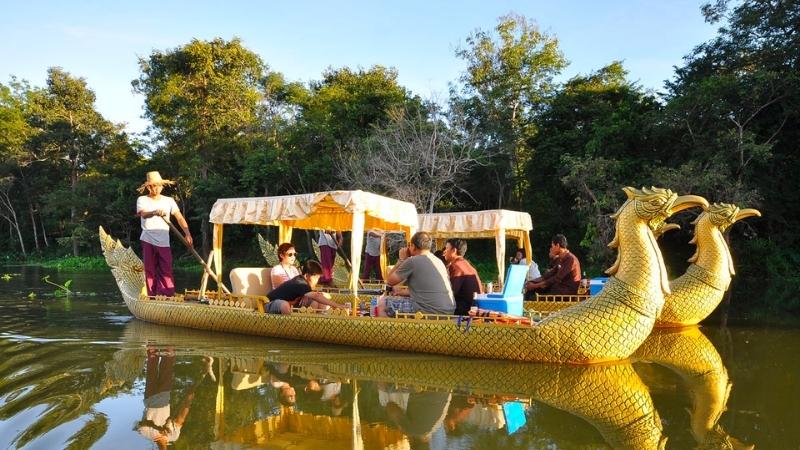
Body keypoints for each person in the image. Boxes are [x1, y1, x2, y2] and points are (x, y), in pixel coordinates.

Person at [136, 171, 192, 297]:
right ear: (149, 187)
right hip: (148, 238)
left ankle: (166, 295)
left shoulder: (169, 201)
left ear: (162, 186)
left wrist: (187, 233)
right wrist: (154, 212)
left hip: (163, 240)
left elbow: (179, 217)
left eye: (158, 185)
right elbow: (143, 214)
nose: (156, 188)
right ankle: (152, 295)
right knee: (150, 269)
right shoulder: (142, 199)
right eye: (153, 186)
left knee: (166, 269)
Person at [379, 231, 455, 316]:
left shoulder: (412, 261)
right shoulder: (438, 261)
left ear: (413, 246)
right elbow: (426, 291)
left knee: (382, 303)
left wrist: (401, 260)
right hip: (448, 310)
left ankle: (387, 329)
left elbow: (389, 281)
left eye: (409, 245)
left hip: (429, 311)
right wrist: (401, 292)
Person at [265, 260, 350, 315]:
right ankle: (289, 327)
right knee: (284, 305)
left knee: (315, 302)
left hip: (290, 302)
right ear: (306, 276)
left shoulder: (304, 284)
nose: (317, 281)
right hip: (269, 303)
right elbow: (317, 296)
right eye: (316, 278)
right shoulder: (300, 283)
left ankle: (320, 321)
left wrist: (306, 295)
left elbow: (316, 297)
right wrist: (339, 306)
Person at [442, 238, 483, 316]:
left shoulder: (456, 266)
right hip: (475, 307)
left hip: (465, 311)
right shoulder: (466, 264)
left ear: (454, 251)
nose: (444, 251)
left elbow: (451, 292)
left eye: (447, 248)